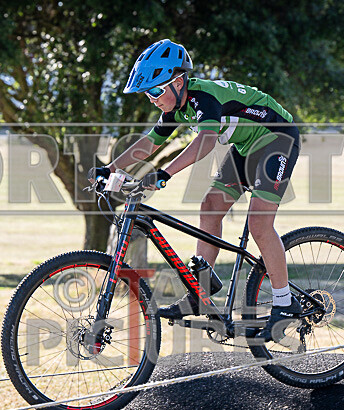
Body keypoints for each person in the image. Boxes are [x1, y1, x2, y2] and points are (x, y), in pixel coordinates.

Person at [87, 39, 302, 341]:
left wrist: (165, 173)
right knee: (210, 207)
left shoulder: (204, 98)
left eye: (155, 91)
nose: (152, 100)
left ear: (177, 82)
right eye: (147, 94)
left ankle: (285, 302)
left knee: (259, 223)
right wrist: (110, 169)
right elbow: (150, 143)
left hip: (278, 139)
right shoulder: (176, 107)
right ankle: (200, 292)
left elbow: (206, 141)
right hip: (247, 146)